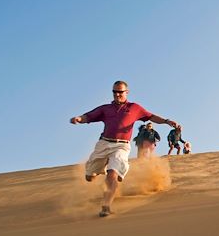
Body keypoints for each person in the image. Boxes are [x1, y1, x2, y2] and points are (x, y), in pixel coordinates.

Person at [70, 81, 181, 217]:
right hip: (104, 144)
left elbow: (151, 116)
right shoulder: (105, 109)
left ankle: (106, 206)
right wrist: (79, 118)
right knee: (89, 177)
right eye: (115, 92)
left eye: (120, 92)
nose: (117, 94)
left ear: (126, 92)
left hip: (121, 145)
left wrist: (166, 121)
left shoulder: (135, 108)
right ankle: (97, 170)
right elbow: (89, 116)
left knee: (113, 174)